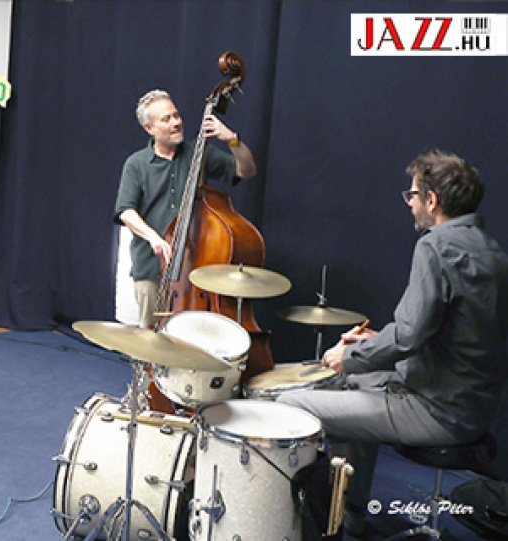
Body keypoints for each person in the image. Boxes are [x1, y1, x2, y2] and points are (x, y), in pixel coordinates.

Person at [278, 149, 508, 536]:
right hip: (471, 405)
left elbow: (408, 334)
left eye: (412, 195)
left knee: (292, 403)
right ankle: (349, 513)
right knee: (346, 384)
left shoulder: (436, 246)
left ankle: (297, 524)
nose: (410, 204)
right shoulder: (491, 250)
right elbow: (451, 333)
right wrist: (371, 343)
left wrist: (351, 355)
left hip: (436, 409)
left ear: (431, 200)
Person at [113, 89, 257, 329]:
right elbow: (126, 211)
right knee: (151, 339)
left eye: (176, 115)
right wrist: (154, 238)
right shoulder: (136, 164)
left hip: (195, 267)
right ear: (149, 128)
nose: (175, 123)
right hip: (151, 267)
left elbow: (247, 171)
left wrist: (232, 139)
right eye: (166, 119)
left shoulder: (199, 153)